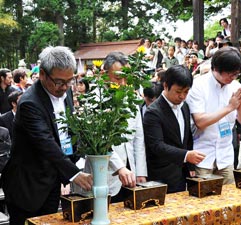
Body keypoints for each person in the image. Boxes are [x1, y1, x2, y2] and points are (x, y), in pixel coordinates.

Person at [0, 46, 93, 225]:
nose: (65, 88)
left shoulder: (65, 92)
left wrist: (79, 158)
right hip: (27, 186)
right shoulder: (29, 103)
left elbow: (69, 129)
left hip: (52, 181)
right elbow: (45, 142)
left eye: (70, 81)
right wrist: (74, 174)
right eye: (59, 82)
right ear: (42, 74)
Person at [186, 47, 241, 184]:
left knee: (229, 200)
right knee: (203, 200)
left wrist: (239, 108)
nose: (233, 78)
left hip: (225, 155)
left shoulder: (236, 87)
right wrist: (230, 107)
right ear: (215, 68)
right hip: (202, 155)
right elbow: (200, 122)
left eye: (236, 74)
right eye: (230, 74)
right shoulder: (198, 85)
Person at [143, 65, 206, 193]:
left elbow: (187, 138)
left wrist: (190, 166)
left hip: (181, 175)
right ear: (166, 86)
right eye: (178, 92)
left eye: (186, 92)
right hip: (161, 176)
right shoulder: (153, 112)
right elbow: (157, 145)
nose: (182, 96)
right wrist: (186, 155)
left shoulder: (185, 107)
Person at [102, 52, 147, 202]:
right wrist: (119, 168)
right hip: (108, 175)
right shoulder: (96, 101)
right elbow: (102, 144)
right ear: (104, 74)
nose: (122, 83)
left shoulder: (132, 99)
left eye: (125, 78)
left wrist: (141, 172)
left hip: (131, 173)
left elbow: (138, 139)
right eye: (117, 78)